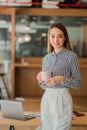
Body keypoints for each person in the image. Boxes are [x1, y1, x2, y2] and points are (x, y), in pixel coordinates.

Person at [36, 22, 81, 130]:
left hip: (63, 98)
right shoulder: (46, 58)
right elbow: (44, 86)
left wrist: (62, 79)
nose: (56, 40)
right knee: (47, 127)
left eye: (60, 36)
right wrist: (41, 81)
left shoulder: (72, 57)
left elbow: (78, 84)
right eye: (52, 36)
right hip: (47, 98)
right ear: (49, 37)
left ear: (65, 37)